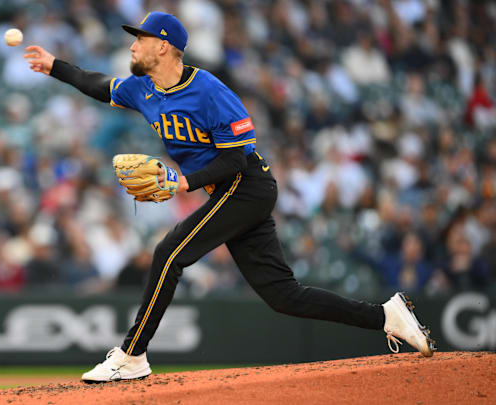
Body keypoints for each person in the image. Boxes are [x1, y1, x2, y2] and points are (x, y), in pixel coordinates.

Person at [25, 12, 435, 383]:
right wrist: (53, 66)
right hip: (227, 191)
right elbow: (98, 85)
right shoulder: (142, 88)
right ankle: (386, 315)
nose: (132, 45)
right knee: (283, 295)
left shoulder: (208, 89)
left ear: (164, 45)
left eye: (140, 38)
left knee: (169, 252)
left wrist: (185, 183)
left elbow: (236, 158)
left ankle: (132, 355)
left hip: (247, 184)